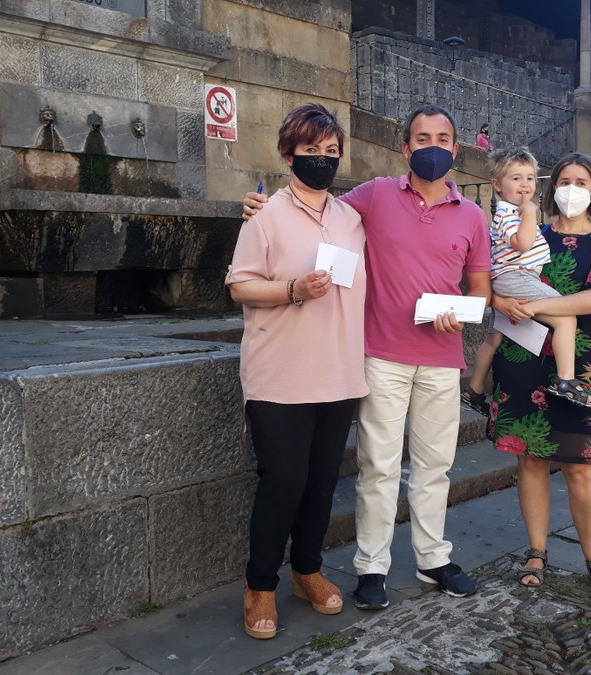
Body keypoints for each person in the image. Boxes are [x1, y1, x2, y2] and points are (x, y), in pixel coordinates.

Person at [244, 104, 492, 610]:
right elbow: (314, 206)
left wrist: (464, 316)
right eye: (422, 138)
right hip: (381, 355)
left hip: (442, 356)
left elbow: (480, 288)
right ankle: (371, 567)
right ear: (405, 148)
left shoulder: (471, 215)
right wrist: (259, 207)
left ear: (456, 149)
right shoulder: (375, 196)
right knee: (378, 467)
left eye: (442, 138)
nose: (432, 147)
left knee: (435, 466)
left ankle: (433, 558)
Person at [227, 102, 368, 639]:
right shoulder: (264, 216)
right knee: (282, 480)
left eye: (332, 152)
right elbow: (240, 285)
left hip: (337, 372)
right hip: (279, 375)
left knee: (320, 483)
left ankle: (307, 570)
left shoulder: (351, 218)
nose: (323, 160)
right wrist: (292, 290)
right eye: (312, 151)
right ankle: (259, 585)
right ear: (290, 154)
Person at [488, 152, 591, 597]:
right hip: (524, 359)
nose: (572, 188)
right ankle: (536, 551)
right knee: (531, 460)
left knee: (581, 467)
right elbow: (496, 276)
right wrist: (497, 300)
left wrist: (538, 306)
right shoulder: (530, 235)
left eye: (581, 181)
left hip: (579, 367)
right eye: (564, 180)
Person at [461, 147, 591, 418]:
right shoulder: (509, 214)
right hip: (516, 275)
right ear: (497, 185)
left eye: (530, 178)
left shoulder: (511, 213)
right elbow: (521, 244)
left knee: (493, 338)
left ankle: (473, 390)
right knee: (566, 318)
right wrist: (531, 214)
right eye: (516, 178)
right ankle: (566, 379)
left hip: (508, 277)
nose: (525, 185)